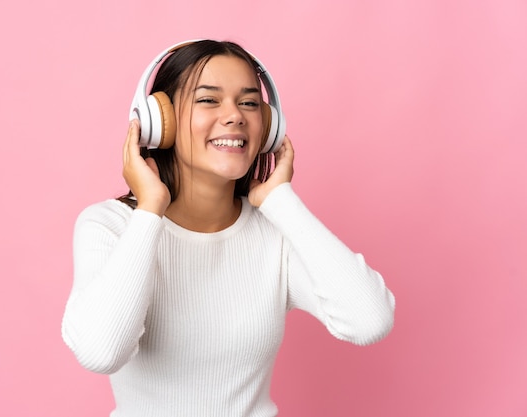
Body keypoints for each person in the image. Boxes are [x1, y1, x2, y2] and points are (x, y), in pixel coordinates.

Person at [61, 39, 395, 417]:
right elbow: (101, 351)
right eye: (208, 99)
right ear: (159, 121)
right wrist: (150, 210)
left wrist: (280, 201)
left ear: (268, 127)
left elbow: (370, 321)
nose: (234, 115)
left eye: (250, 103)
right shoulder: (110, 226)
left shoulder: (275, 232)